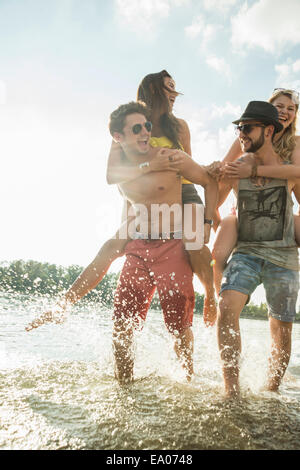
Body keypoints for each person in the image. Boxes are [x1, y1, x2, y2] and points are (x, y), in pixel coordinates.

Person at [26, 101, 218, 384]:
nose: (145, 133)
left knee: (178, 326)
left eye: (147, 126)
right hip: (138, 245)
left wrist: (208, 220)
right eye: (137, 128)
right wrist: (147, 165)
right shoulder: (120, 169)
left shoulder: (171, 157)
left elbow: (209, 180)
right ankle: (123, 387)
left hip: (172, 245)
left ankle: (188, 381)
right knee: (121, 326)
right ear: (119, 137)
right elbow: (111, 177)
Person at [106, 70, 217, 326]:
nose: (174, 94)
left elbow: (189, 163)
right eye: (169, 88)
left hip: (184, 192)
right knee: (119, 244)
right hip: (143, 198)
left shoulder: (179, 127)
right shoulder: (130, 126)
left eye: (175, 88)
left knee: (193, 242)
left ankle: (211, 293)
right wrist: (148, 169)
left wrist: (210, 215)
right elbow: (113, 175)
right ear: (154, 90)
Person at [216, 101, 299, 398]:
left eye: (247, 128)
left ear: (268, 130)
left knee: (282, 330)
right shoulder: (235, 169)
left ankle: (272, 392)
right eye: (239, 128)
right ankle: (232, 392)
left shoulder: (289, 169)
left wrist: (258, 169)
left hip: (285, 257)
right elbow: (211, 189)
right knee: (226, 308)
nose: (241, 134)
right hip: (246, 252)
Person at [211, 88, 300, 294]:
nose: (285, 111)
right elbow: (224, 171)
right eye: (279, 106)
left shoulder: (294, 143)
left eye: (291, 109)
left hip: (281, 211)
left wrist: (253, 170)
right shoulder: (247, 135)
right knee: (222, 241)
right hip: (245, 211)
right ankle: (216, 294)